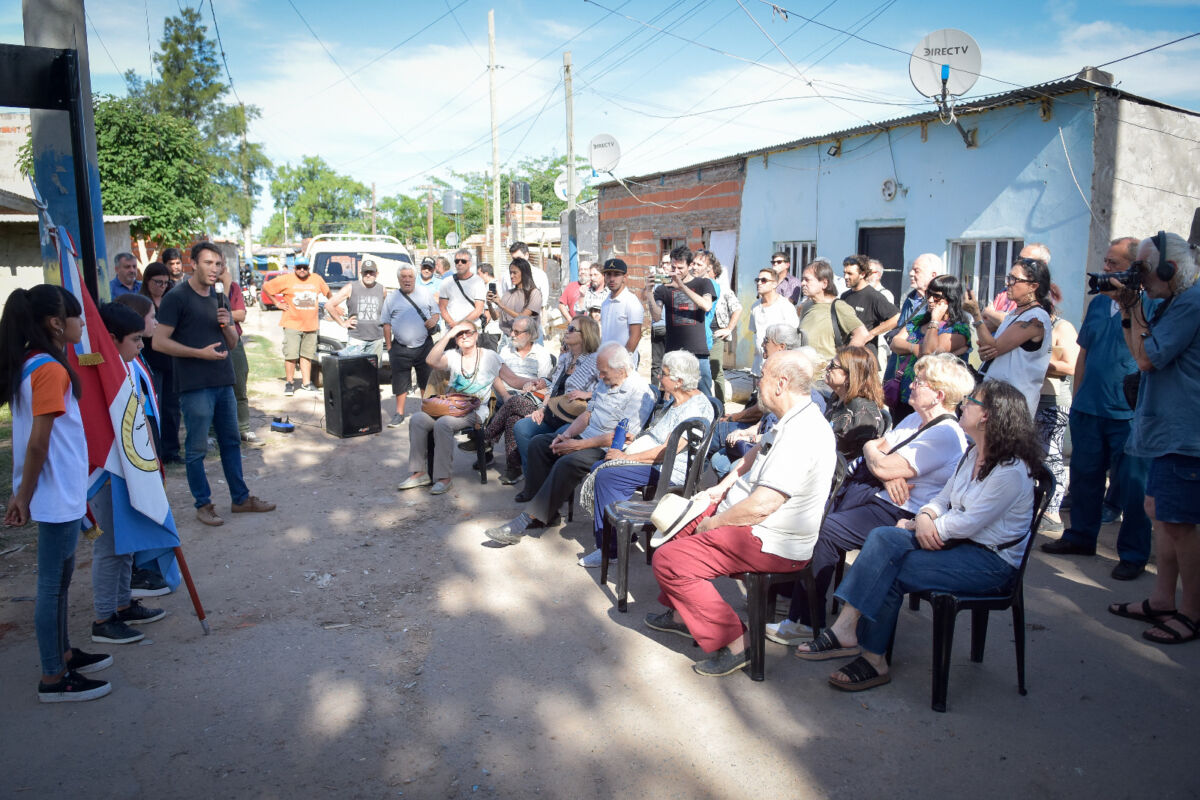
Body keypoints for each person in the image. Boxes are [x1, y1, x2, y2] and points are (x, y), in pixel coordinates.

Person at [795, 380, 1041, 691]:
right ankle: (847, 628)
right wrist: (925, 515)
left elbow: (968, 522)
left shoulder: (1009, 471)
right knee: (884, 537)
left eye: (971, 401)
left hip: (991, 562)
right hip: (957, 541)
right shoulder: (974, 454)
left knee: (891, 568)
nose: (963, 403)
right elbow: (943, 498)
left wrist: (922, 525)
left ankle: (874, 659)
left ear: (989, 416)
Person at [643, 351, 835, 677]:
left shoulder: (802, 433)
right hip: (753, 521)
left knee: (670, 560)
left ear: (781, 384)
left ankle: (738, 642)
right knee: (677, 526)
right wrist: (720, 489)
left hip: (771, 538)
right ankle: (681, 614)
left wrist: (714, 522)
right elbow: (755, 455)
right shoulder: (790, 418)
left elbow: (764, 505)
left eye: (761, 377)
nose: (756, 382)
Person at [768, 353, 972, 643]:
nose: (911, 384)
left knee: (825, 530)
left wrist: (885, 465)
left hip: (904, 513)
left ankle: (802, 621)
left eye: (920, 382)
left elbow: (880, 460)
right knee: (810, 512)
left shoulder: (946, 434)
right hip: (879, 496)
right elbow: (875, 448)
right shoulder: (917, 418)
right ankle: (787, 591)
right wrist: (886, 468)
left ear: (938, 395)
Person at [2, 284, 114, 703]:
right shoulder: (48, 369)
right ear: (55, 323)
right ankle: (53, 677)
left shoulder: (37, 362)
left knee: (62, 581)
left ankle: (63, 654)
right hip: (53, 493)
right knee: (52, 585)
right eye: (77, 317)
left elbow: (38, 439)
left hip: (59, 490)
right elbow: (37, 443)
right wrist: (24, 497)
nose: (82, 323)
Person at [1042, 238, 1153, 580]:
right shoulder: (1096, 305)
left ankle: (1133, 555)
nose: (1105, 269)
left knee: (1133, 487)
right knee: (1085, 478)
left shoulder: (1148, 304)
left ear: (1134, 270)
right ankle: (1080, 537)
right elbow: (1084, 354)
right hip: (1089, 408)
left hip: (1129, 412)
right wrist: (1077, 400)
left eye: (1114, 264)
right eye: (1106, 262)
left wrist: (1129, 304)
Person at [1110, 232, 1200, 645]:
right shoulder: (1171, 303)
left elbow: (1146, 359)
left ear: (1171, 269)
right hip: (1165, 431)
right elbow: (1138, 352)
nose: (1139, 279)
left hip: (1185, 434)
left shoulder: (1191, 303)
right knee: (1158, 511)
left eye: (1144, 271)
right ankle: (1164, 599)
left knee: (1180, 524)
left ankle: (1192, 613)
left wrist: (1133, 307)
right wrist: (1130, 313)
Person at [154, 242, 275, 526]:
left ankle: (240, 499)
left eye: (218, 264)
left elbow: (232, 342)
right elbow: (159, 342)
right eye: (208, 263)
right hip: (195, 385)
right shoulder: (177, 297)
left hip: (223, 382)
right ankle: (203, 504)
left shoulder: (219, 297)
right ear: (192, 264)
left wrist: (227, 325)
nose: (214, 269)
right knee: (197, 448)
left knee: (231, 442)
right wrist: (200, 354)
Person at [485, 343, 655, 545]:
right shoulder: (607, 381)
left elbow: (623, 437)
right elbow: (588, 414)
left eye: (604, 372)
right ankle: (546, 514)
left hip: (608, 448)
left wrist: (577, 446)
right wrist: (566, 435)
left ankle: (525, 522)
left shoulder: (640, 392)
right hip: (588, 437)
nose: (600, 377)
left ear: (621, 369)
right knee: (540, 444)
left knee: (568, 462)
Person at [577, 350, 715, 567]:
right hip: (659, 462)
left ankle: (610, 550)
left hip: (670, 471)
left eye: (664, 373)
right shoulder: (677, 400)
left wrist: (625, 456)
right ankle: (622, 532)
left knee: (607, 474)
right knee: (601, 466)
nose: (659, 377)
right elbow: (660, 436)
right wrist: (635, 441)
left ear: (679, 381)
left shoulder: (696, 408)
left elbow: (666, 452)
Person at [88, 303, 167, 647]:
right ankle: (104, 617)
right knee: (109, 547)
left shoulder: (126, 364)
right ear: (109, 339)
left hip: (129, 464)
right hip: (104, 467)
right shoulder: (94, 365)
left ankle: (122, 603)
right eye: (135, 339)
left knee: (127, 543)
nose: (141, 345)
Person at [399, 322, 503, 496]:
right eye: (459, 334)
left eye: (468, 333)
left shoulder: (489, 356)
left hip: (475, 410)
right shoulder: (452, 355)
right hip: (450, 407)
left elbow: (506, 378)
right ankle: (420, 473)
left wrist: (533, 385)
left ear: (476, 335)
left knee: (443, 424)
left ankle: (443, 478)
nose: (464, 336)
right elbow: (431, 361)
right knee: (417, 419)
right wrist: (448, 334)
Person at [509, 315, 602, 481]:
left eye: (572, 329)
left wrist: (587, 394)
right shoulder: (565, 358)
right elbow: (553, 386)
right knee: (521, 428)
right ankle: (533, 481)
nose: (567, 331)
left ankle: (549, 484)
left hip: (574, 419)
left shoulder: (595, 360)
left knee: (546, 441)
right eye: (568, 327)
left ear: (585, 334)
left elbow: (607, 390)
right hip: (552, 413)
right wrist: (542, 408)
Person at [964, 256, 1053, 417]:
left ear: (1033, 286)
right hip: (996, 396)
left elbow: (994, 347)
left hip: (1014, 404)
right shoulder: (1015, 313)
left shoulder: (1036, 318)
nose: (1007, 283)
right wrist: (986, 351)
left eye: (1014, 279)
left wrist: (976, 313)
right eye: (1008, 277)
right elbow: (989, 349)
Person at [888, 274, 972, 420]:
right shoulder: (919, 321)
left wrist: (935, 320)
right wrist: (915, 349)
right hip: (906, 393)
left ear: (951, 300)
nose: (930, 300)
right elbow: (895, 343)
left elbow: (929, 352)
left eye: (937, 297)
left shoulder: (957, 330)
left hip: (934, 400)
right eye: (929, 294)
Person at [1034, 287, 1079, 532]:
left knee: (1051, 457)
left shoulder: (1063, 328)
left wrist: (1037, 358)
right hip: (1030, 399)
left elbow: (1070, 366)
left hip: (1053, 401)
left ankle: (1052, 514)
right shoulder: (1029, 328)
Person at [381, 264, 441, 427]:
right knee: (400, 382)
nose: (407, 280)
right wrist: (390, 348)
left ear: (415, 279)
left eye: (410, 277)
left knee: (426, 380)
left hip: (424, 347)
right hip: (399, 347)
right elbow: (386, 324)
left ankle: (427, 412)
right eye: (403, 277)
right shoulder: (391, 297)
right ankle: (399, 413)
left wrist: (434, 320)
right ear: (399, 279)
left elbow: (436, 312)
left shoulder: (424, 293)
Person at [652, 246, 716, 396]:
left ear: (690, 265)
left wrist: (681, 286)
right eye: (673, 267)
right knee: (673, 394)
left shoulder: (703, 284)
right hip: (673, 351)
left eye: (680, 268)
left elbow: (706, 305)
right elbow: (656, 316)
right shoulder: (663, 288)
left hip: (697, 351)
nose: (676, 271)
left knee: (704, 393)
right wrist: (649, 292)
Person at [262, 258, 331, 395]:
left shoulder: (316, 279)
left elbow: (328, 293)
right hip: (292, 323)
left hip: (311, 325)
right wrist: (277, 303)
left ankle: (306, 383)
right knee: (291, 355)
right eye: (299, 267)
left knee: (307, 355)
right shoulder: (287, 279)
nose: (302, 270)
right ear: (295, 268)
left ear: (308, 268)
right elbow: (266, 287)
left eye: (304, 267)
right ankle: (289, 383)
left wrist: (333, 305)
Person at [139, 262, 181, 463]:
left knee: (172, 407)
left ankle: (172, 451)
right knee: (154, 406)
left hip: (171, 360)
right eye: (158, 282)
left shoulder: (171, 299)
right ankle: (156, 449)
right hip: (150, 360)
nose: (162, 286)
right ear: (148, 281)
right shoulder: (142, 302)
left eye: (166, 282)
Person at [798, 260, 868, 371]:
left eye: (807, 280)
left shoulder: (838, 306)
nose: (802, 283)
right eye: (802, 279)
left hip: (825, 379)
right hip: (805, 374)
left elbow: (861, 334)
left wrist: (840, 361)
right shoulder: (806, 306)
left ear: (824, 283)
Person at [823, 346, 888, 462]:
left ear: (849, 375)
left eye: (833, 366)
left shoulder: (863, 413)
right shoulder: (836, 397)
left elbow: (857, 459)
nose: (827, 368)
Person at [884, 253, 941, 382]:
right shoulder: (910, 298)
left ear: (933, 275)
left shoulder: (939, 306)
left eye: (917, 270)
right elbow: (898, 338)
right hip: (897, 369)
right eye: (911, 269)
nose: (910, 274)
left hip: (919, 374)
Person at [698, 250, 741, 404]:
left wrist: (728, 328)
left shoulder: (723, 290)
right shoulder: (696, 288)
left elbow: (737, 308)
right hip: (700, 334)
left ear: (713, 271)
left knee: (715, 371)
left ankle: (719, 405)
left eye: (707, 269)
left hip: (715, 335)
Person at [325, 258, 387, 358]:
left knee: (373, 371)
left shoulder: (382, 289)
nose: (368, 275)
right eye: (365, 272)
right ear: (361, 273)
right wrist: (342, 323)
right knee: (354, 370)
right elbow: (329, 305)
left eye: (371, 272)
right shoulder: (351, 287)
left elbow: (386, 311)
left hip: (376, 339)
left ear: (377, 274)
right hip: (357, 339)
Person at [841, 254, 899, 354]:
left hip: (865, 356)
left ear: (862, 274)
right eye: (844, 273)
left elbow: (896, 318)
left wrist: (871, 334)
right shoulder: (844, 296)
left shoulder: (873, 296)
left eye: (850, 274)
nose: (845, 277)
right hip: (846, 353)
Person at [748, 268, 799, 377]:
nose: (759, 283)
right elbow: (755, 333)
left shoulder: (785, 306)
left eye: (764, 280)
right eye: (757, 280)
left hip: (779, 367)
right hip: (759, 365)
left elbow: (793, 338)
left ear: (774, 284)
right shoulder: (755, 307)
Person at [598, 258, 644, 367]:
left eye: (616, 274)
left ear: (625, 277)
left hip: (624, 364)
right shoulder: (605, 302)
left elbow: (636, 335)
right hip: (607, 362)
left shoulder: (631, 302)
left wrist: (623, 361)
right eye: (608, 275)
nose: (612, 279)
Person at [437, 250, 487, 345]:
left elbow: (479, 309)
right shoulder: (446, 282)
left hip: (471, 332)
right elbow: (442, 307)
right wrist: (453, 324)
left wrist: (460, 325)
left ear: (470, 263)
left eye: (463, 261)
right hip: (451, 332)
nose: (459, 263)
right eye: (457, 261)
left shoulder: (478, 282)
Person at [488, 257, 543, 343]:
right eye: (510, 273)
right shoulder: (508, 293)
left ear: (524, 273)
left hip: (526, 340)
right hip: (507, 338)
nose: (511, 276)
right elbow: (495, 317)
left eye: (515, 273)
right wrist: (489, 304)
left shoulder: (534, 293)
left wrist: (502, 306)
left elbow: (523, 317)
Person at [503, 242, 551, 317]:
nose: (516, 262)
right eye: (513, 259)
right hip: (511, 323)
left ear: (527, 255)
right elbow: (505, 301)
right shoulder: (506, 276)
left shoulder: (540, 275)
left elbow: (543, 304)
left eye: (519, 258)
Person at [645, 252, 672, 383]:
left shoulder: (676, 281)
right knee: (657, 364)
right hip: (659, 326)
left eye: (668, 263)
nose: (665, 266)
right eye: (663, 263)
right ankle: (655, 396)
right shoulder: (657, 281)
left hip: (673, 328)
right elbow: (648, 298)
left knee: (671, 365)